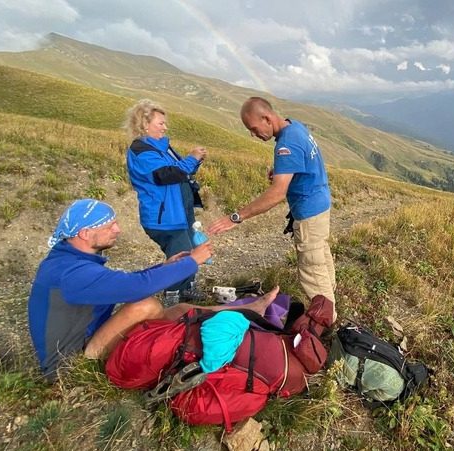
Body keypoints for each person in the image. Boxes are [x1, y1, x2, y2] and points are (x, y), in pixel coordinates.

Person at [27, 199, 280, 382]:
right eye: (109, 226)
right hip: (70, 365)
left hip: (91, 339)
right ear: (84, 233)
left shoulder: (71, 263)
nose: (117, 230)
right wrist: (192, 261)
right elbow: (137, 288)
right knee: (146, 306)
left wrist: (166, 266)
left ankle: (246, 309)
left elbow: (122, 283)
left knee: (178, 309)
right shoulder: (70, 274)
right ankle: (163, 347)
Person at [208, 97, 336, 316]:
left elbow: (277, 194)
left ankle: (326, 321)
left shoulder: (286, 144)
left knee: (312, 270)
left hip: (309, 213)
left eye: (254, 128)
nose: (253, 134)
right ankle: (331, 303)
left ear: (267, 118)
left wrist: (236, 217)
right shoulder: (295, 127)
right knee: (321, 258)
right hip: (321, 203)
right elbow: (305, 160)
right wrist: (284, 171)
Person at [124, 99, 207, 304]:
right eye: (160, 123)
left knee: (190, 251)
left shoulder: (161, 147)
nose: (165, 127)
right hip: (165, 217)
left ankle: (186, 290)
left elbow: (179, 172)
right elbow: (165, 175)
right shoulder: (141, 150)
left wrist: (194, 163)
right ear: (145, 124)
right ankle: (172, 299)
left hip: (178, 213)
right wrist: (192, 158)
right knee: (180, 257)